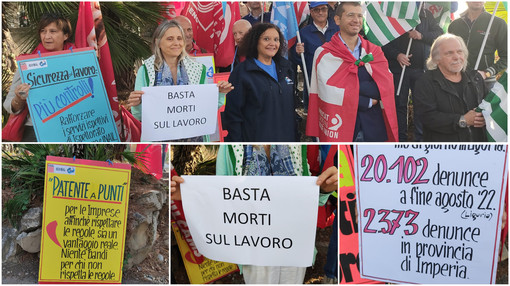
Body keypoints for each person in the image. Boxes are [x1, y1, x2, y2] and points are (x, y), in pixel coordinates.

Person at [171, 144, 338, 284]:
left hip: (292, 241)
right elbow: (222, 199)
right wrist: (187, 195)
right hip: (254, 245)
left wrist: (323, 190)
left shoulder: (296, 147)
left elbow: (305, 198)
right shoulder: (232, 149)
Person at [305, 2, 398, 142]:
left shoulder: (375, 51)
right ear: (337, 20)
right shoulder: (324, 53)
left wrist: (348, 88)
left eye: (360, 16)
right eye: (350, 15)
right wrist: (366, 101)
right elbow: (328, 92)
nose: (356, 20)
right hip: (339, 127)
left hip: (373, 128)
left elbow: (384, 87)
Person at [127, 20, 232, 142]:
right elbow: (139, 116)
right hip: (159, 142)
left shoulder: (198, 69)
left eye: (179, 38)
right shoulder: (145, 71)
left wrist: (220, 93)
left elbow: (205, 110)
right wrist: (137, 104)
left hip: (193, 140)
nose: (176, 43)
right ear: (158, 42)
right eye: (170, 39)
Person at [3, 13, 75, 142]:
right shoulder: (28, 64)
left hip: (72, 128)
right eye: (43, 31)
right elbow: (9, 105)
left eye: (53, 31)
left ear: (66, 35)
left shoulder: (80, 60)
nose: (47, 36)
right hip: (35, 131)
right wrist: (19, 99)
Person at [223, 23, 298, 142]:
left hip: (286, 141)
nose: (272, 43)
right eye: (266, 39)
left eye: (276, 39)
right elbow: (233, 115)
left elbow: (291, 109)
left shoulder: (287, 68)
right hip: (256, 146)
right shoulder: (242, 73)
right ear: (255, 41)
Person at [382, 6, 443, 142]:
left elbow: (439, 33)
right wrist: (397, 55)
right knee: (400, 106)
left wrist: (421, 36)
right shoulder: (393, 13)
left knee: (421, 106)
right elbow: (383, 41)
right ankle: (400, 140)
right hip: (399, 70)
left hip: (422, 70)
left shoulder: (426, 14)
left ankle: (420, 141)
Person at [414, 34, 487, 142]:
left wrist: (485, 117)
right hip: (444, 151)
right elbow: (427, 117)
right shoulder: (425, 82)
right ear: (436, 59)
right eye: (449, 53)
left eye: (459, 51)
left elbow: (490, 106)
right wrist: (462, 120)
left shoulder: (476, 78)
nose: (456, 57)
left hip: (478, 148)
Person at [290, 2, 339, 112]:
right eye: (316, 10)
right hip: (314, 80)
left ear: (327, 10)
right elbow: (298, 60)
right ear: (311, 12)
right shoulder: (303, 33)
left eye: (323, 9)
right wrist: (298, 53)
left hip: (336, 79)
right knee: (315, 113)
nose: (320, 12)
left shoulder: (338, 29)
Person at [448, 1, 507, 89]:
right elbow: (447, 53)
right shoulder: (454, 25)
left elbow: (506, 56)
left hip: (485, 82)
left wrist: (487, 73)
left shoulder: (497, 23)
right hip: (458, 81)